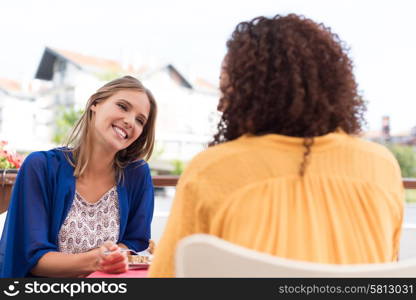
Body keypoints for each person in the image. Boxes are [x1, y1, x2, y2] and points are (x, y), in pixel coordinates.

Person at [149, 14, 404, 277]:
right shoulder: (381, 166)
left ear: (250, 94)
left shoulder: (212, 170)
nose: (220, 105)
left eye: (227, 92)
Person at [0, 75, 157, 277]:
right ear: (95, 104)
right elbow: (32, 258)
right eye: (122, 106)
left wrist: (111, 259)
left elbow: (136, 242)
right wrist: (95, 260)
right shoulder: (39, 166)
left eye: (140, 120)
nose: (129, 121)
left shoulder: (137, 174)